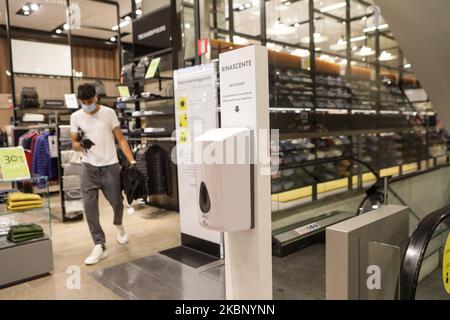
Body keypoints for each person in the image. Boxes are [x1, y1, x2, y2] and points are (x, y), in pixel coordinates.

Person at [70, 83, 136, 265]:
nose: (87, 104)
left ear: (95, 97)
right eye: (83, 102)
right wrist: (81, 144)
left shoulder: (109, 113)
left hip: (110, 166)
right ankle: (99, 245)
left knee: (116, 202)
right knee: (89, 208)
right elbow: (73, 143)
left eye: (89, 101)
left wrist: (132, 161)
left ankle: (119, 226)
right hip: (88, 167)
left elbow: (120, 139)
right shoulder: (75, 117)